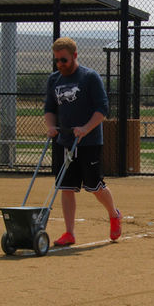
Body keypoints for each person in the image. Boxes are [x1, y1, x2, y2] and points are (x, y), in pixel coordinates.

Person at [44, 37, 122, 246]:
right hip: (65, 140)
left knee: (94, 186)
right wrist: (51, 127)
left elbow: (102, 109)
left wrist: (86, 129)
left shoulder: (89, 78)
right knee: (66, 187)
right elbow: (50, 109)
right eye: (57, 60)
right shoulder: (54, 80)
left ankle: (114, 214)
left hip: (89, 142)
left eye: (64, 60)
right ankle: (69, 233)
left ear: (75, 56)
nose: (60, 64)